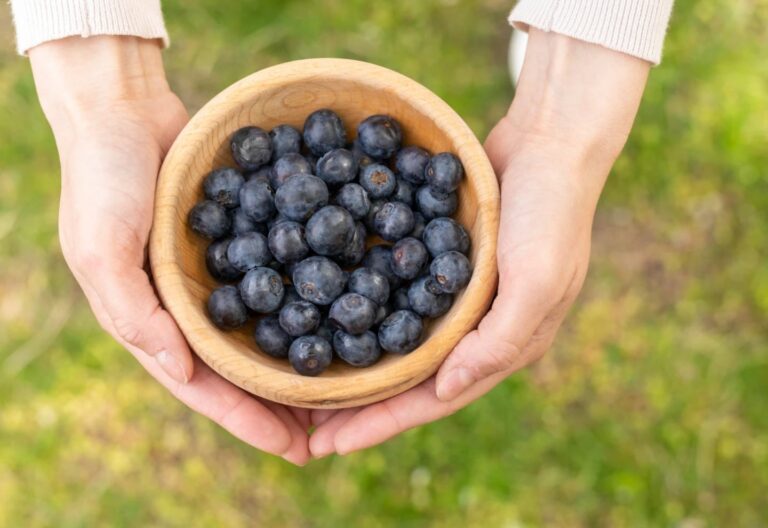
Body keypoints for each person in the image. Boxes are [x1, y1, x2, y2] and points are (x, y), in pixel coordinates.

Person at [10, 0, 674, 465]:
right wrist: (103, 94)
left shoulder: (347, 226)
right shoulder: (289, 252)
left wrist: (571, 113)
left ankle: (564, 38)